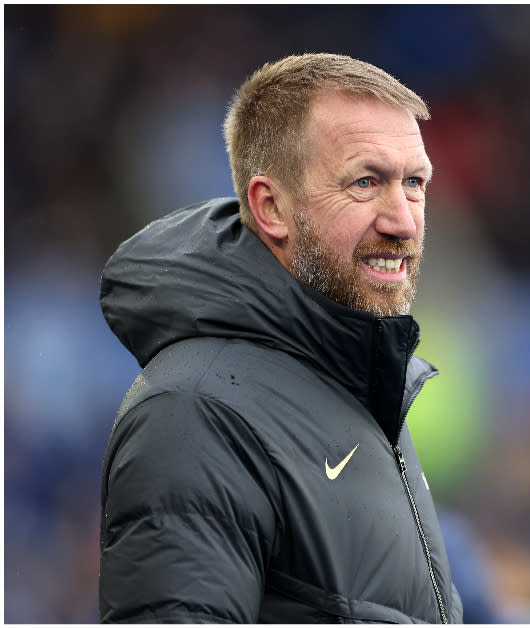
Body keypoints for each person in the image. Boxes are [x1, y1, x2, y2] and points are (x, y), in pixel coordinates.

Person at [98, 53, 462, 623]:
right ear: (271, 207)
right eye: (366, 182)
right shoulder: (195, 411)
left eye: (414, 183)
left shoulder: (359, 391)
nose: (404, 221)